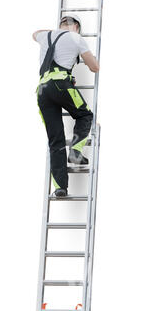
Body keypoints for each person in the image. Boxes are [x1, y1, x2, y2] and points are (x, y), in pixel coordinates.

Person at [33, 14, 99, 197]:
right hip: (61, 85)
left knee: (56, 141)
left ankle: (60, 187)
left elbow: (34, 33)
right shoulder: (76, 38)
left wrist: (53, 33)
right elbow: (94, 67)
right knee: (85, 115)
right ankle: (76, 152)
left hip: (42, 91)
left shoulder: (44, 36)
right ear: (76, 26)